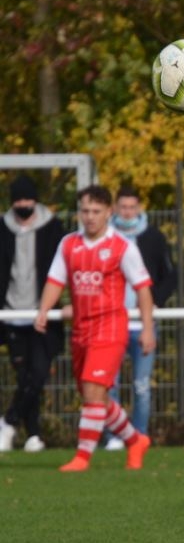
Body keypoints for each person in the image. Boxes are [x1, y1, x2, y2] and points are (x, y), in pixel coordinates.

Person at [34, 185, 153, 472]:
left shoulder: (123, 247)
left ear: (109, 212)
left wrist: (147, 328)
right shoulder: (69, 244)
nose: (89, 217)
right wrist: (44, 310)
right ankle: (135, 440)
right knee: (94, 397)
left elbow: (143, 289)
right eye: (85, 211)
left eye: (96, 211)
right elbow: (55, 280)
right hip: (81, 330)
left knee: (93, 391)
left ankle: (82, 457)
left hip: (110, 328)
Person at [103, 185, 177, 451]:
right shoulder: (104, 238)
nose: (127, 212)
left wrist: (154, 302)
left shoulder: (153, 238)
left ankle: (140, 436)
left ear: (139, 208)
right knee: (108, 386)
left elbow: (170, 275)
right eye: (123, 207)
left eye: (132, 207)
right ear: (115, 208)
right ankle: (113, 437)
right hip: (111, 324)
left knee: (142, 386)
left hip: (142, 324)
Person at [0, 174, 65, 453]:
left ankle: (9, 422)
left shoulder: (53, 228)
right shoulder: (3, 228)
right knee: (24, 376)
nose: (23, 205)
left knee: (38, 373)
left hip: (43, 314)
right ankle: (34, 434)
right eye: (18, 200)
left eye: (28, 199)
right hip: (11, 314)